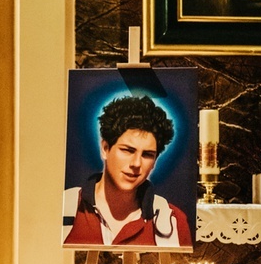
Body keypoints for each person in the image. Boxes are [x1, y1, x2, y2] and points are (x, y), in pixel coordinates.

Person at [62, 95, 193, 247]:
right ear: (105, 149)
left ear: (155, 162)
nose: (136, 163)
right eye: (127, 150)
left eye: (147, 155)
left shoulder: (173, 221)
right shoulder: (65, 208)